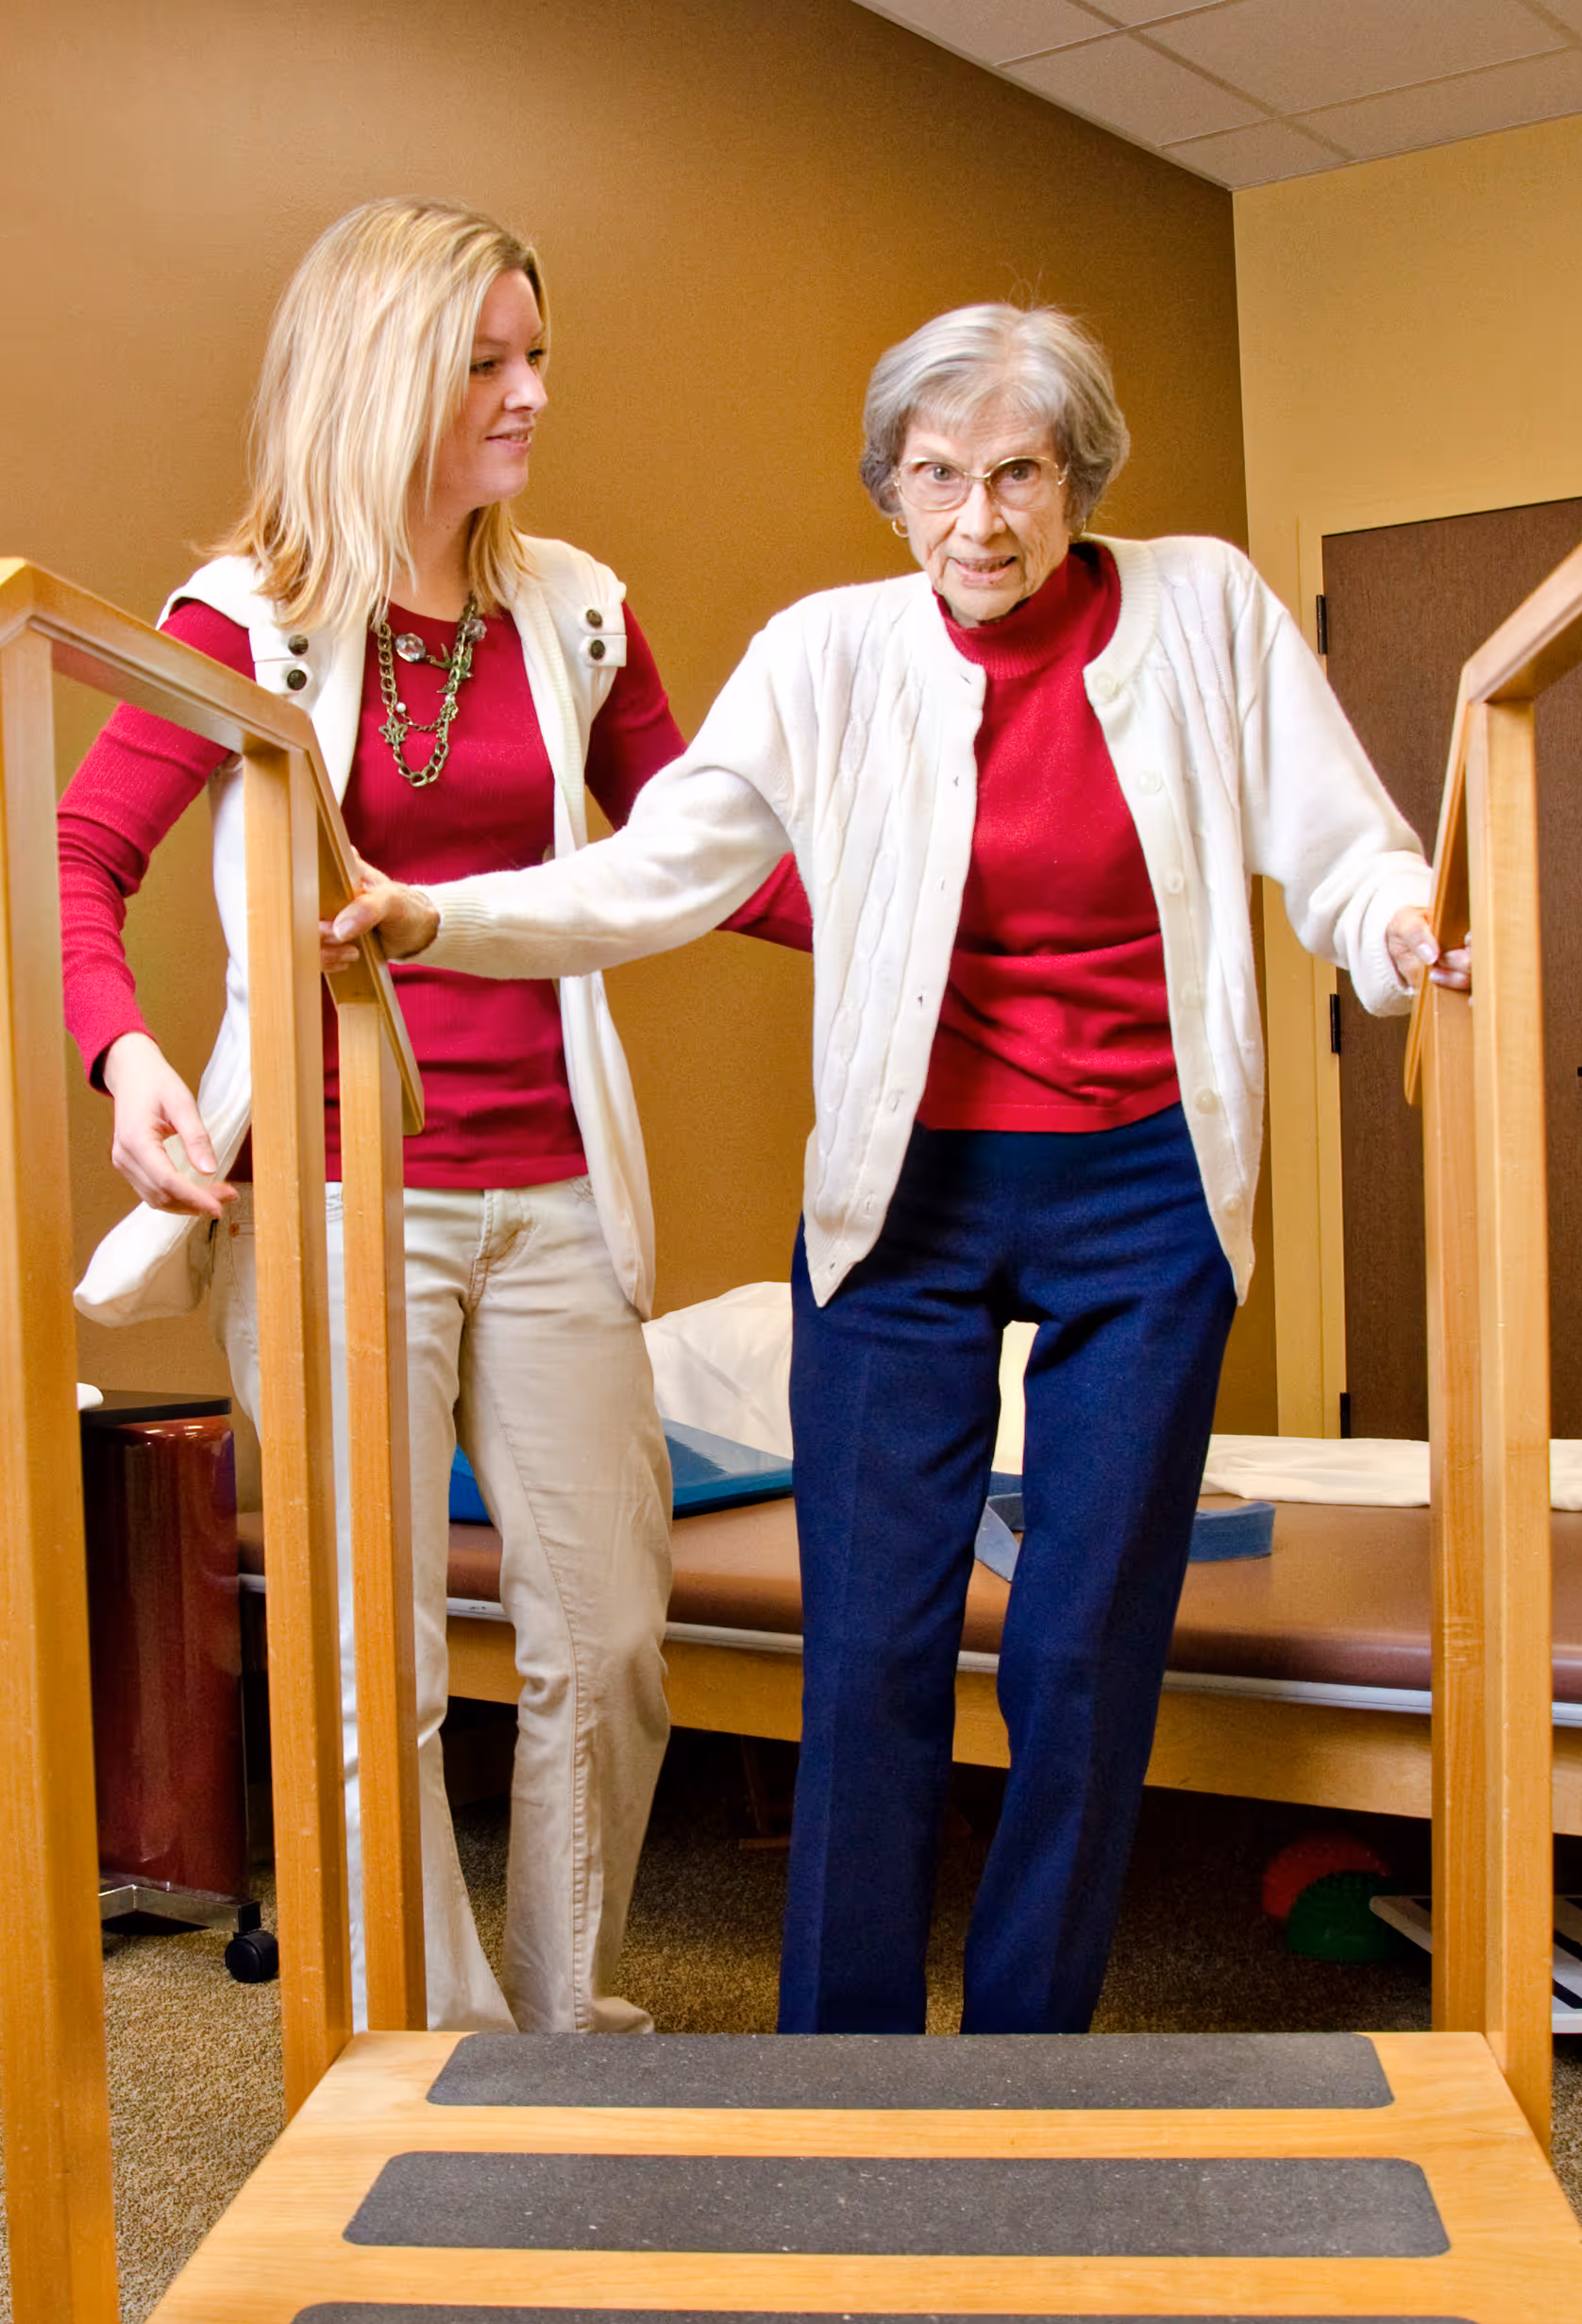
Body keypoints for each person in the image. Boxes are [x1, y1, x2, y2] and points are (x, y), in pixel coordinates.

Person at [330, 300, 1468, 2036]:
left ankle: (1028, 2053)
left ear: (1080, 477)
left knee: (1081, 1651)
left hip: (1145, 1193)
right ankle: (841, 2065)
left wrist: (1398, 927)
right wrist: (437, 916)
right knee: (869, 1655)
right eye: (937, 477)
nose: (978, 521)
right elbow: (660, 869)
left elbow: (1343, 849)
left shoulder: (1208, 610)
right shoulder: (829, 653)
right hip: (901, 1200)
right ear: (890, 487)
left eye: (1018, 474)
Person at [59, 197, 807, 2035]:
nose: (531, 392)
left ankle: (568, 2027)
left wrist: (946, 922)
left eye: (537, 354)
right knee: (366, 1670)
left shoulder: (577, 611)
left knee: (609, 1643)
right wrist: (126, 1059)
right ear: (382, 371)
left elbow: (703, 857)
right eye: (486, 361)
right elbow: (87, 853)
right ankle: (435, 2054)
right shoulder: (242, 624)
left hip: (553, 1186)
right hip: (331, 1192)